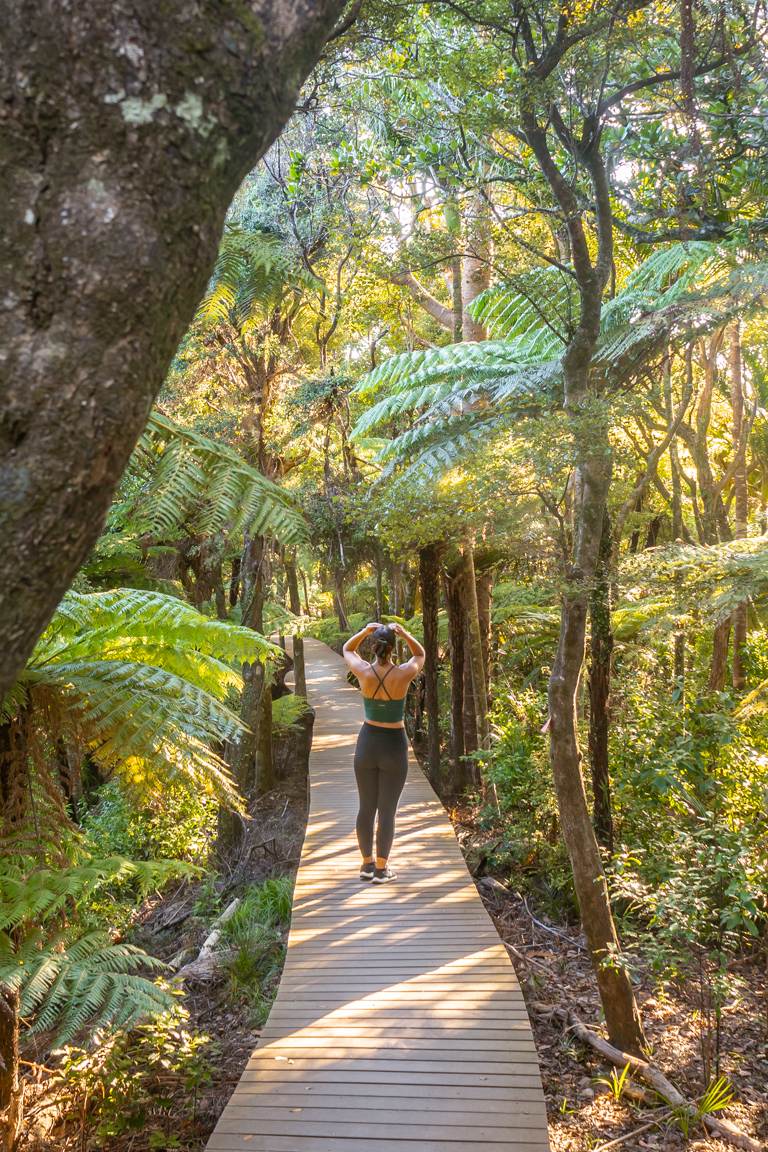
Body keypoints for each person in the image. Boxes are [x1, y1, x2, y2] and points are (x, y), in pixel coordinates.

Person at [342, 621, 425, 883]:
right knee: (387, 810)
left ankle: (366, 864)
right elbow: (420, 655)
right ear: (392, 648)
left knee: (366, 807)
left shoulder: (363, 672)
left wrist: (364, 631)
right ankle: (381, 868)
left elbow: (347, 649)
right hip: (393, 745)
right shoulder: (402, 674)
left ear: (374, 647)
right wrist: (405, 633)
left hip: (367, 743)